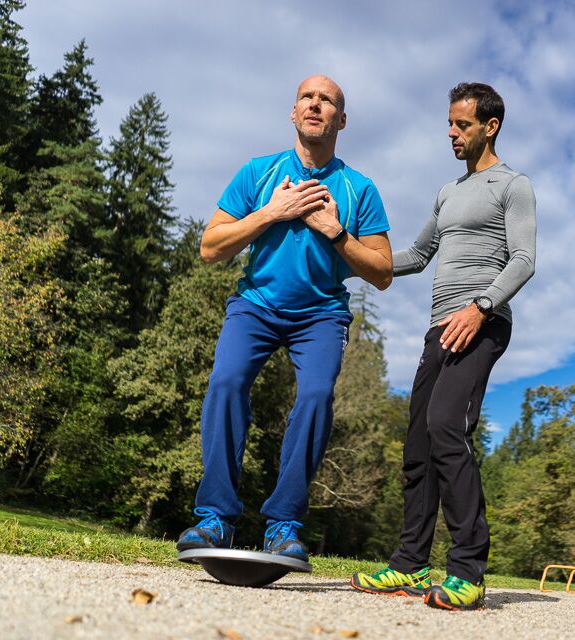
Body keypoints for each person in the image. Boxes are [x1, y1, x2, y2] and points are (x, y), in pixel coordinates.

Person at [176, 75, 392, 562]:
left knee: (315, 396)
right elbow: (211, 247)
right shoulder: (258, 172)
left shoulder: (360, 189)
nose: (316, 105)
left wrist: (335, 232)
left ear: (342, 119)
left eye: (328, 100)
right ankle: (215, 519)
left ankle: (283, 525)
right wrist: (272, 212)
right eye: (307, 98)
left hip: (321, 315)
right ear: (294, 113)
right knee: (226, 382)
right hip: (255, 305)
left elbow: (382, 272)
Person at [351, 82, 536, 610]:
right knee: (418, 445)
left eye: (461, 125)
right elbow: (415, 253)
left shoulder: (513, 185)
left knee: (446, 428)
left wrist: (480, 307)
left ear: (489, 126)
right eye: (449, 125)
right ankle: (410, 565)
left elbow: (523, 258)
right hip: (439, 327)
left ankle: (469, 569)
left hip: (482, 322)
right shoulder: (449, 192)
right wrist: (348, 250)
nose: (451, 134)